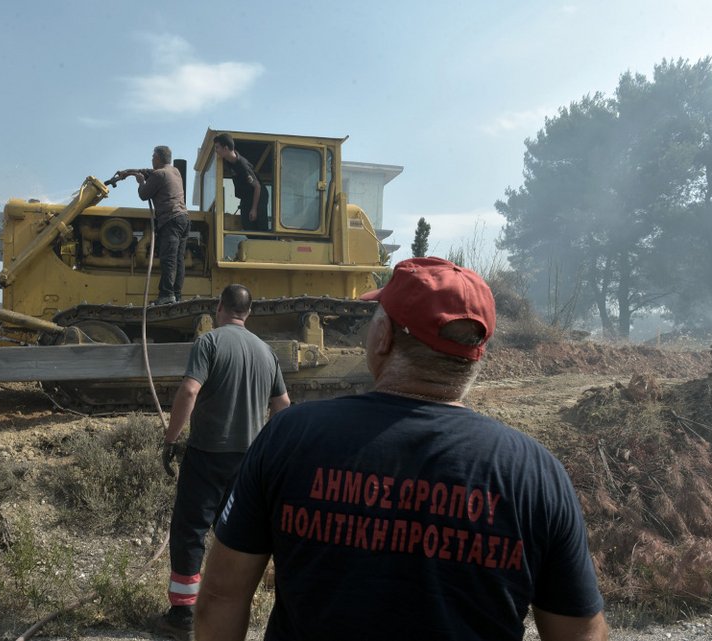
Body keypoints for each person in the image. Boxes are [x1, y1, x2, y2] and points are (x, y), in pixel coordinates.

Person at [196, 257, 608, 641]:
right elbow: (580, 632)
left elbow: (221, 598)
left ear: (383, 336)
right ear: (476, 355)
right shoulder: (536, 474)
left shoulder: (289, 436)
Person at [155, 283, 291, 641]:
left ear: (219, 307)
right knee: (238, 534)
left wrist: (171, 439)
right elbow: (283, 407)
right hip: (249, 460)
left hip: (207, 454)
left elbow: (189, 389)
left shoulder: (209, 342)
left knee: (190, 531)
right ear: (248, 313)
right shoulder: (266, 352)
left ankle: (183, 614)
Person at [116, 145, 189, 305]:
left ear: (157, 158)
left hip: (170, 220)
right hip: (184, 219)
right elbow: (146, 170)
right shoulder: (174, 171)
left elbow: (144, 195)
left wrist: (141, 182)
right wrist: (127, 173)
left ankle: (166, 294)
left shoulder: (159, 175)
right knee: (178, 259)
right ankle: (176, 294)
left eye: (152, 157)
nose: (151, 159)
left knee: (168, 258)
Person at [212, 133, 269, 233]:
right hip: (246, 197)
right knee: (246, 224)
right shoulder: (228, 161)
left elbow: (257, 186)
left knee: (259, 226)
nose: (216, 150)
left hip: (258, 196)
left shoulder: (242, 166)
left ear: (225, 148)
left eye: (217, 147)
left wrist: (254, 209)